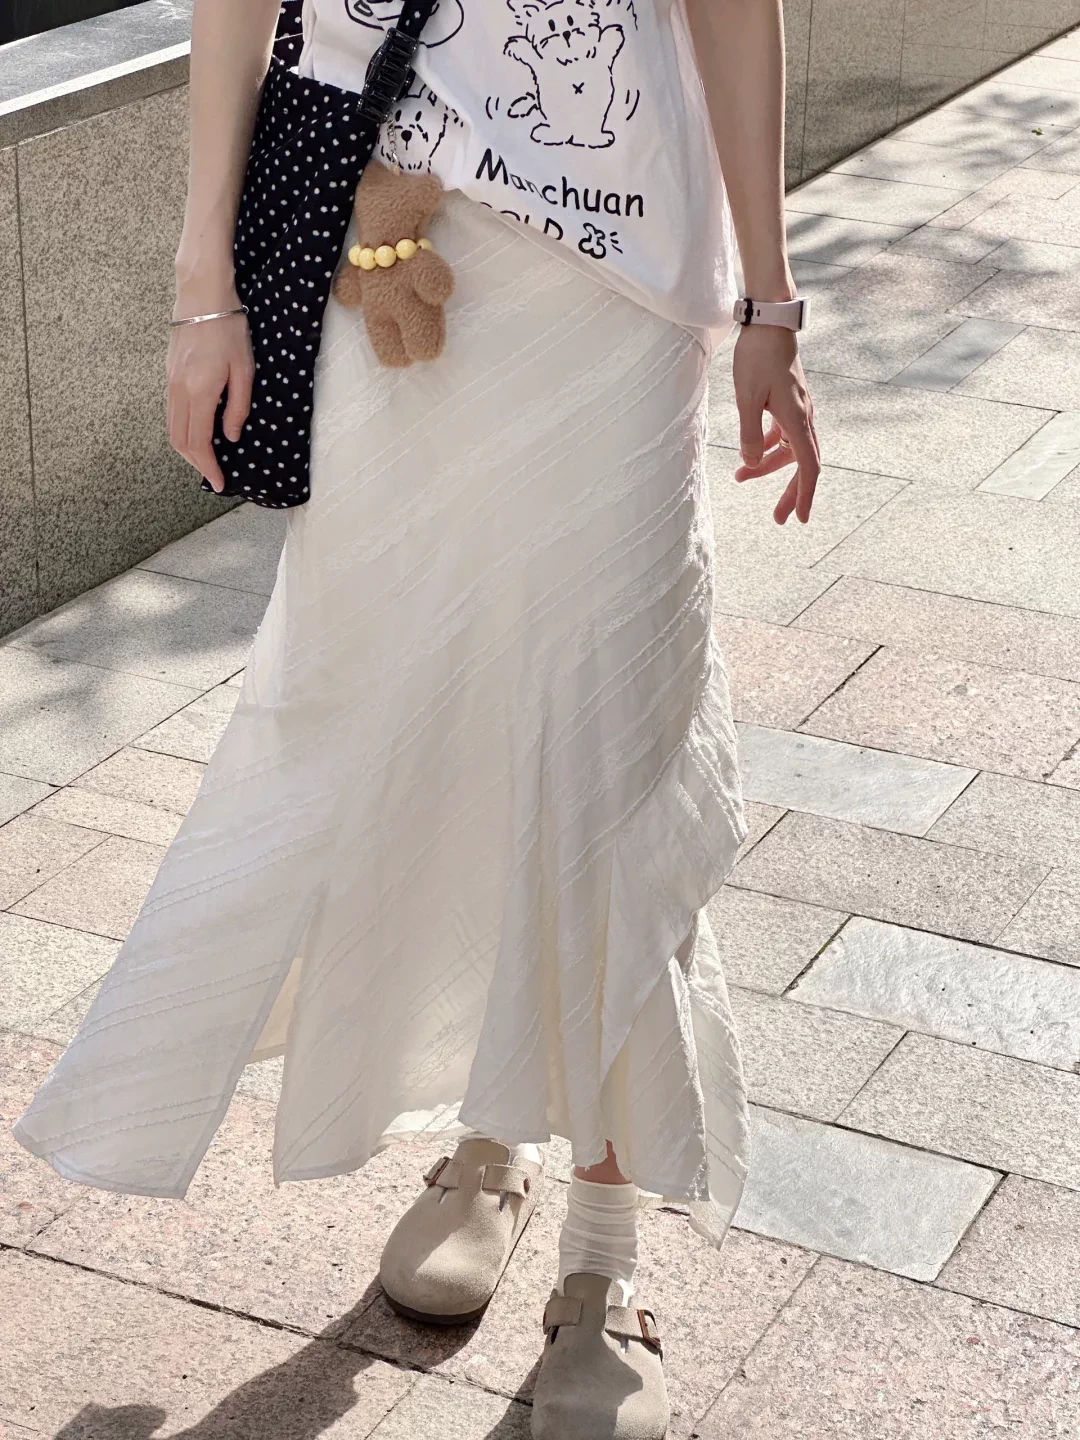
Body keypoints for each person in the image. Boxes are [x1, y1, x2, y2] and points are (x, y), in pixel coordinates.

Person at [14, 0, 819, 1434]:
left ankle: (603, 1248)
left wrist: (772, 301)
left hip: (622, 292)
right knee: (389, 705)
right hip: (387, 242)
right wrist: (203, 291)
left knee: (607, 736)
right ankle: (493, 1137)